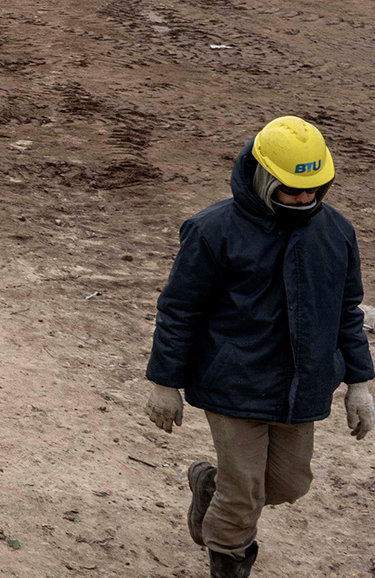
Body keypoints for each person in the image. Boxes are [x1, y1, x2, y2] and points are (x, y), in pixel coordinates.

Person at [145, 116, 374, 578]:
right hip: (233, 382)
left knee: (290, 484)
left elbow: (346, 310)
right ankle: (229, 558)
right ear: (265, 178)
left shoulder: (336, 232)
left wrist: (360, 383)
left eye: (313, 189)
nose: (305, 199)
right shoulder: (212, 231)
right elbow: (179, 309)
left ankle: (209, 487)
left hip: (301, 387)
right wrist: (164, 383)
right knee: (244, 492)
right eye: (292, 191)